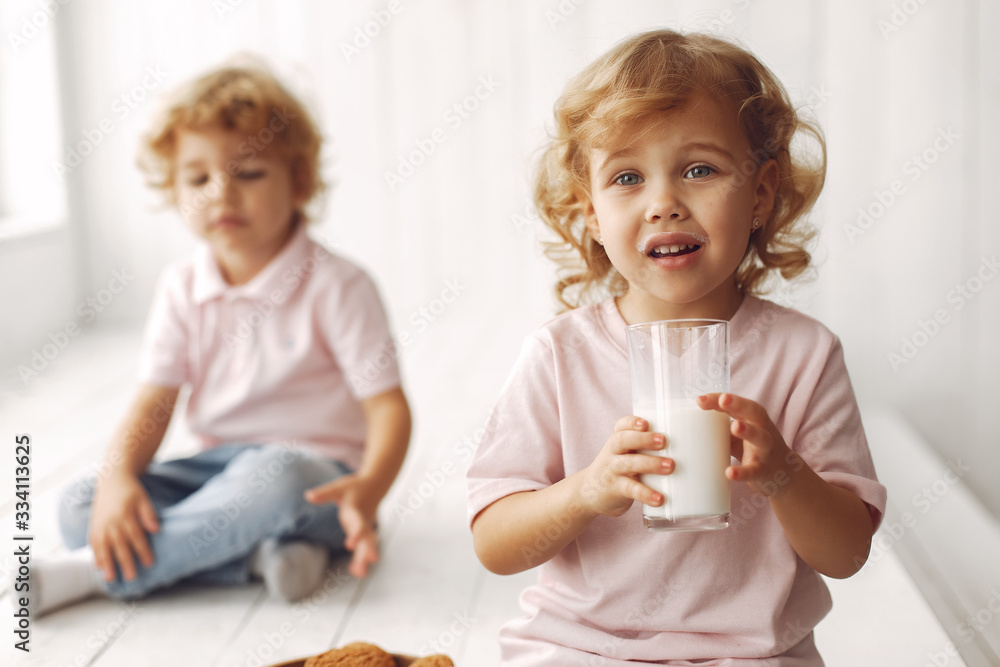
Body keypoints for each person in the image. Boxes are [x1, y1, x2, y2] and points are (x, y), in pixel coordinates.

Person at [467, 29, 886, 665]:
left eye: (699, 169)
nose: (664, 203)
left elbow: (847, 553)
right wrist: (586, 489)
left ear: (760, 194)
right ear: (591, 214)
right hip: (582, 648)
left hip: (751, 653)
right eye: (628, 177)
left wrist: (783, 474)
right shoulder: (560, 356)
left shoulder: (803, 356)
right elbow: (495, 544)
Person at [30, 63, 411, 616]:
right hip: (220, 476)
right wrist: (118, 480)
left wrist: (370, 488)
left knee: (275, 480)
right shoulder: (182, 286)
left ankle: (96, 572)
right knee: (81, 505)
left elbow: (388, 409)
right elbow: (154, 402)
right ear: (174, 188)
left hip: (320, 479)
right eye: (198, 178)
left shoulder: (340, 286)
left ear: (299, 181)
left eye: (249, 173)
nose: (221, 194)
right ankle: (259, 557)